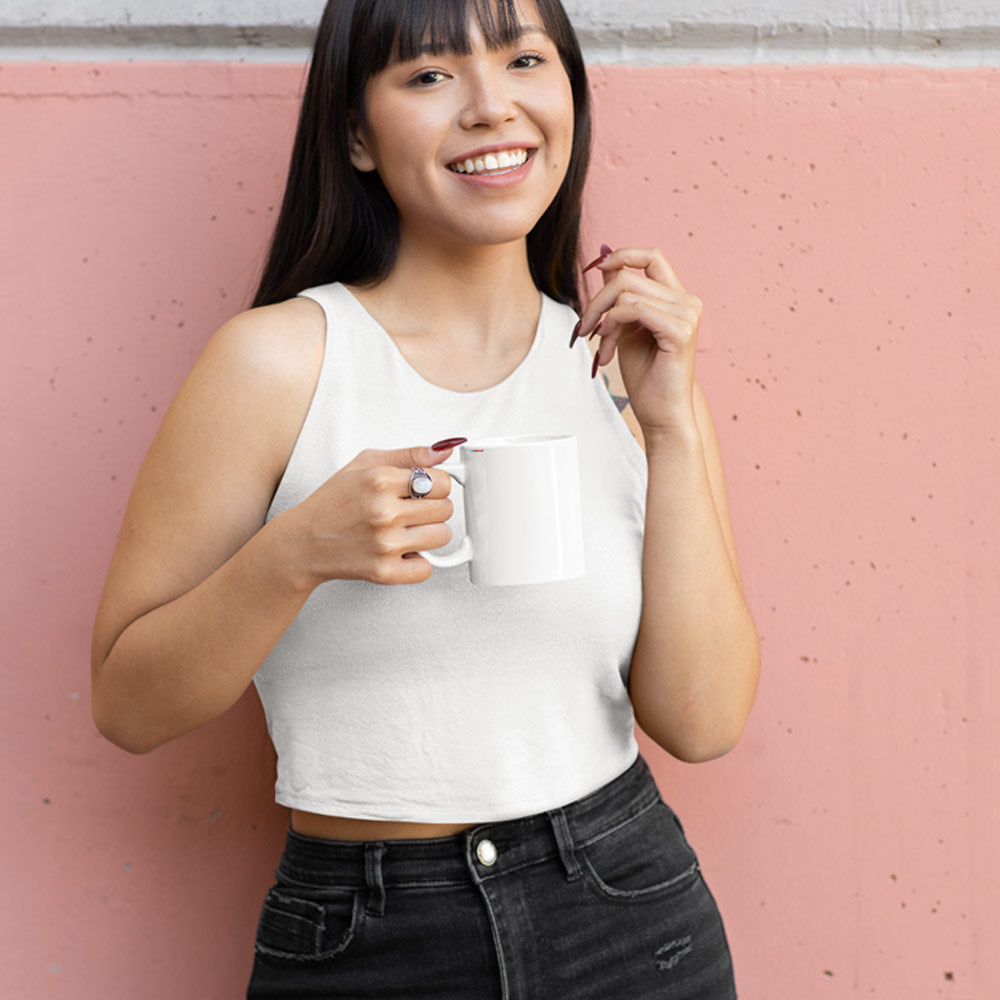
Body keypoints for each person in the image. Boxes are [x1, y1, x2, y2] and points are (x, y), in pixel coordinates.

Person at [90, 0, 761, 996]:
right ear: (355, 133)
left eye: (525, 59)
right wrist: (296, 553)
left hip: (628, 911)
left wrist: (672, 424)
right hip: (368, 932)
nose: (493, 106)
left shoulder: (622, 372)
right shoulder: (277, 362)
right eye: (430, 75)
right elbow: (127, 704)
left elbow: (700, 721)